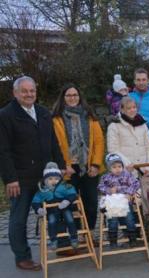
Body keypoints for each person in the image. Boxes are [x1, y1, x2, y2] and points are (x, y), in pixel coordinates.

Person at [0, 76, 67, 271]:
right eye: (25, 91)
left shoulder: (43, 112)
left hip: (47, 176)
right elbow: (2, 151)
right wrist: (10, 179)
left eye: (32, 91)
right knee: (19, 218)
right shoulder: (5, 115)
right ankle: (22, 257)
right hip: (20, 178)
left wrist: (61, 165)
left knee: (58, 210)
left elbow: (53, 142)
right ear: (15, 93)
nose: (29, 94)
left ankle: (62, 246)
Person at [51, 84, 105, 231]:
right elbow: (54, 144)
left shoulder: (89, 115)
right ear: (63, 98)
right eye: (68, 95)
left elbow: (99, 141)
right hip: (68, 169)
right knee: (71, 204)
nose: (72, 98)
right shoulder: (56, 118)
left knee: (91, 203)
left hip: (88, 167)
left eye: (75, 95)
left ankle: (88, 233)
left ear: (79, 97)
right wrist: (63, 166)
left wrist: (95, 164)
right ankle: (76, 235)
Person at [97, 153, 140, 249]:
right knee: (112, 221)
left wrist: (129, 193)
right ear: (109, 168)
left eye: (119, 166)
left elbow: (136, 183)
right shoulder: (106, 177)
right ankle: (113, 242)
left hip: (125, 201)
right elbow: (100, 187)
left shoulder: (127, 175)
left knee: (129, 219)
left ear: (122, 166)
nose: (117, 169)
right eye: (114, 167)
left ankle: (133, 239)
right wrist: (108, 190)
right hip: (112, 204)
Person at [107, 97, 149, 176]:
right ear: (122, 110)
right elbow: (113, 150)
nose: (132, 110)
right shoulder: (114, 126)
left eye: (134, 107)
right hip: (126, 171)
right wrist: (126, 164)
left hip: (144, 171)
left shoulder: (142, 123)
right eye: (129, 108)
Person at [32, 162, 78, 250]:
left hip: (64, 207)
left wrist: (67, 201)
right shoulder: (43, 190)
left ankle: (74, 238)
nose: (54, 181)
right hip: (52, 210)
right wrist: (38, 209)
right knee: (52, 221)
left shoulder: (63, 186)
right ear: (45, 180)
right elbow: (35, 201)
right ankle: (53, 240)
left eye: (56, 179)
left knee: (70, 219)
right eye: (50, 179)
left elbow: (73, 193)